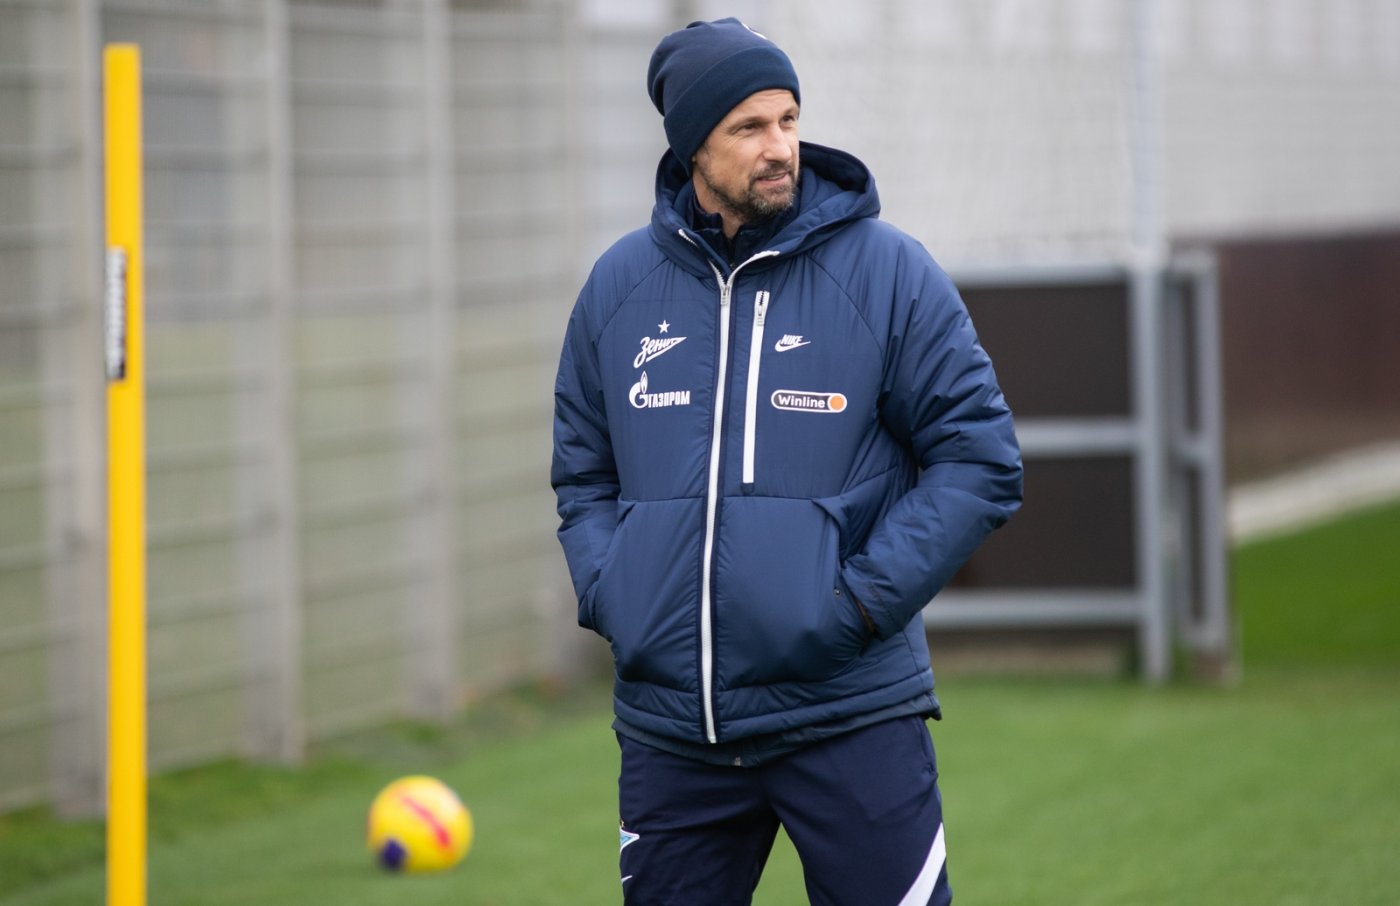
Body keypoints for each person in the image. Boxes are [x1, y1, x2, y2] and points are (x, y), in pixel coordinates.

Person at [551, 17, 1022, 906]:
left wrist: (858, 605)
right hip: (674, 731)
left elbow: (979, 458)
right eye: (749, 127)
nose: (780, 148)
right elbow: (584, 478)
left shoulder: (889, 273)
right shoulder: (617, 289)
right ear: (692, 146)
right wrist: (619, 594)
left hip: (848, 715)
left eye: (789, 120)